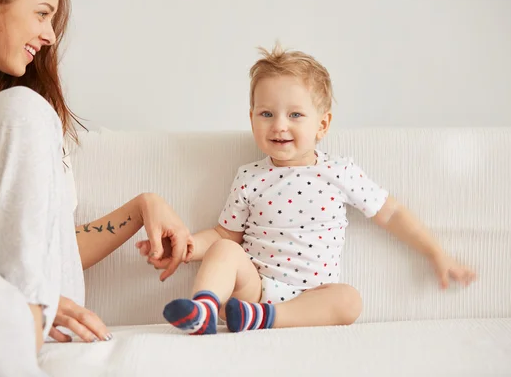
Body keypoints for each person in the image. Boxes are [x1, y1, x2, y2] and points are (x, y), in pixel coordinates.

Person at [139, 44, 476, 335]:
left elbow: (392, 213)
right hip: (253, 289)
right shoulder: (249, 177)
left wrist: (436, 252)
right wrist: (185, 245)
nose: (279, 125)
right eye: (266, 113)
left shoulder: (339, 172)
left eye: (295, 114)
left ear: (323, 124)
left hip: (312, 297)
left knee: (349, 300)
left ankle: (267, 319)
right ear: (252, 118)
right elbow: (225, 237)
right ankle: (204, 310)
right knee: (226, 254)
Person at [0, 0, 191, 375]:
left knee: (21, 107)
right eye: (42, 14)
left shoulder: (28, 117)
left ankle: (28, 318)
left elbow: (47, 246)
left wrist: (141, 208)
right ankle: (26, 318)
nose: (49, 35)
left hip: (36, 313)